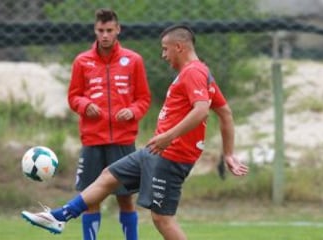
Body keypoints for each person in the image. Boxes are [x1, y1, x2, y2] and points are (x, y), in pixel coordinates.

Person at [21, 24, 248, 240]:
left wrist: (168, 137)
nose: (163, 55)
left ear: (179, 47)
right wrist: (228, 154)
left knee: (162, 219)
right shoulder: (199, 72)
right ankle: (59, 217)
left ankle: (60, 216)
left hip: (172, 155)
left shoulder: (194, 72)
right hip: (157, 151)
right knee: (109, 176)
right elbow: (225, 112)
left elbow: (201, 111)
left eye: (165, 49)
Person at [66, 8, 151, 240]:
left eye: (109, 30)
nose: (105, 35)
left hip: (123, 141)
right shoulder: (82, 61)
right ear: (95, 30)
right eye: (101, 30)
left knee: (125, 198)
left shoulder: (133, 60)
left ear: (118, 30)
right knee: (91, 198)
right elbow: (73, 96)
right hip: (93, 140)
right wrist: (84, 105)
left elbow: (144, 99)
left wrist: (132, 111)